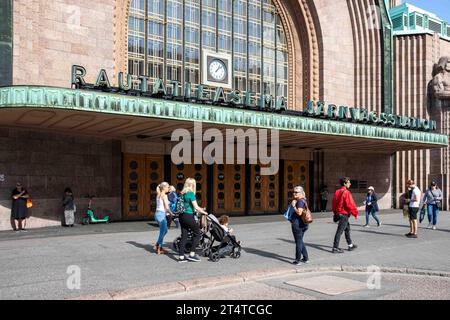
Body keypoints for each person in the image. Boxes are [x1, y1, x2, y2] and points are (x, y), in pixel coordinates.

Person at [178, 178, 208, 263]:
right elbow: (196, 207)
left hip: (181, 216)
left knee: (184, 236)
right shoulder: (191, 194)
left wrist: (201, 209)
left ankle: (181, 257)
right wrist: (204, 212)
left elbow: (190, 206)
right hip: (188, 216)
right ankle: (192, 254)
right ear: (193, 185)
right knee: (197, 234)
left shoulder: (182, 193)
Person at [331, 177, 358, 253]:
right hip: (344, 214)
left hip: (339, 213)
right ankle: (335, 247)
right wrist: (355, 213)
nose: (350, 184)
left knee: (347, 229)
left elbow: (334, 203)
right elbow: (350, 204)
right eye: (348, 182)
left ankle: (350, 245)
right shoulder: (346, 192)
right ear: (344, 183)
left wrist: (335, 212)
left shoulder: (337, 191)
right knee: (339, 231)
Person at [290, 186, 310, 264]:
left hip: (298, 225)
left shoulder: (300, 201)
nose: (294, 193)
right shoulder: (303, 200)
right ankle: (305, 258)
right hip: (303, 224)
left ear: (301, 193)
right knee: (300, 241)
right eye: (293, 192)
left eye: (296, 192)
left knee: (298, 242)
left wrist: (294, 206)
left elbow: (299, 212)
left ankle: (297, 260)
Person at [154, 182, 172, 254]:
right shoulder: (164, 195)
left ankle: (157, 244)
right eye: (168, 187)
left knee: (165, 230)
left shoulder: (158, 194)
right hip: (161, 215)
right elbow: (167, 208)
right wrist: (171, 213)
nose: (169, 188)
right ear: (164, 188)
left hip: (157, 214)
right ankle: (159, 248)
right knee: (162, 232)